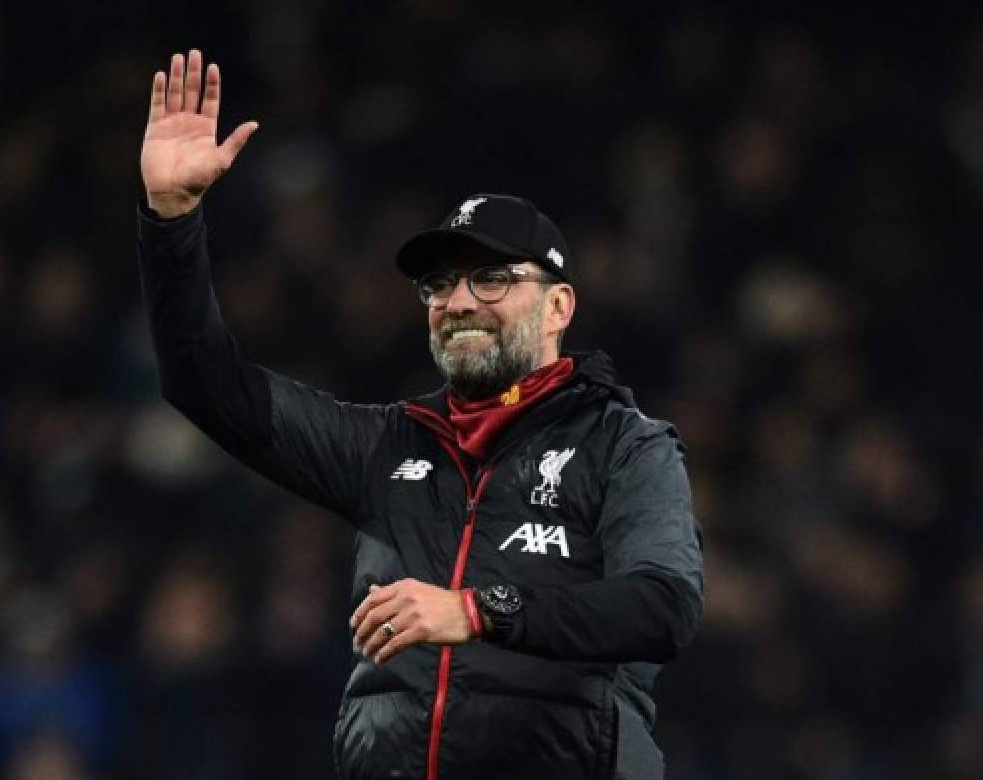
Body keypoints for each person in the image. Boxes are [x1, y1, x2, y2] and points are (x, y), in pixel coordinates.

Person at [137, 49, 703, 780]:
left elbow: (662, 608)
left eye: (492, 278)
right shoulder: (389, 445)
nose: (459, 300)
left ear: (559, 306)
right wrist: (173, 221)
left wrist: (477, 610)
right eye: (439, 284)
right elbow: (203, 385)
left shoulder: (625, 446)